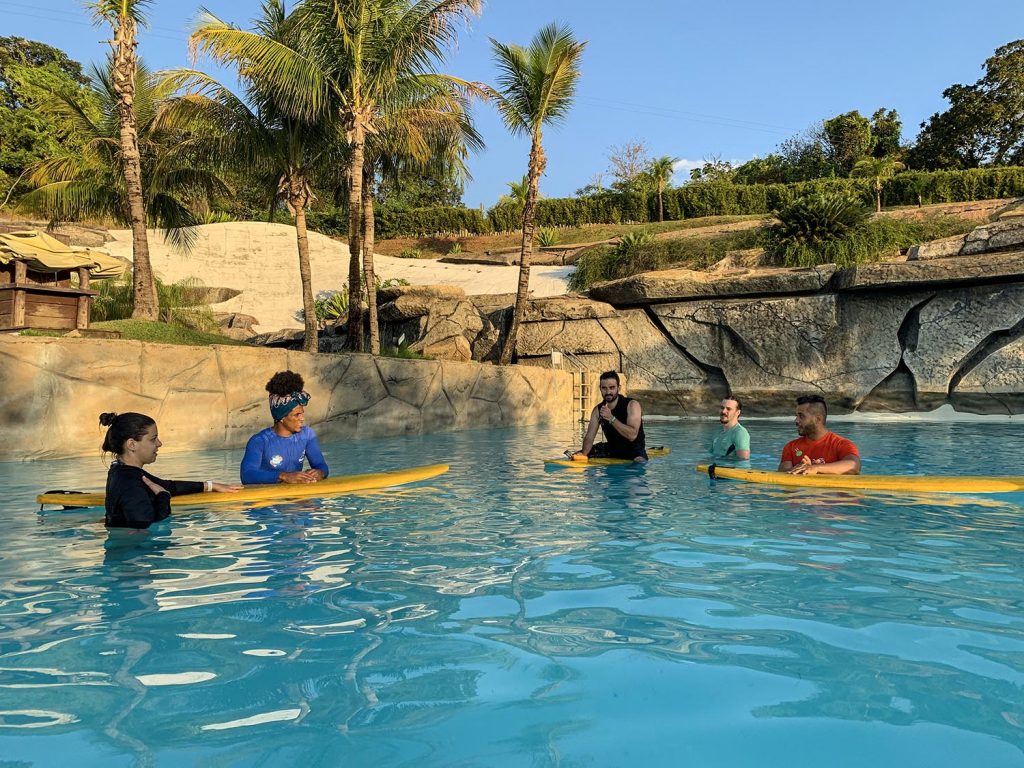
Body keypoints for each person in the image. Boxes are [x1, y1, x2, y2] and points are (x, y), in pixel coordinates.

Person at [100, 412, 240, 529]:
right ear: (132, 444)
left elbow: (168, 485)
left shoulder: (121, 471)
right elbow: (147, 528)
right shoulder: (130, 484)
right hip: (136, 552)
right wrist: (163, 497)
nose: (159, 443)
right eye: (153, 439)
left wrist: (210, 485)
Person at [240, 370, 330, 484]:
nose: (302, 418)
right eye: (297, 415)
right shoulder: (260, 441)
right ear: (281, 417)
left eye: (302, 413)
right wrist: (283, 476)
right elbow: (247, 475)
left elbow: (321, 465)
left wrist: (320, 472)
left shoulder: (307, 435)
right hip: (268, 494)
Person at [571, 371, 648, 463]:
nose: (608, 392)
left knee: (640, 461)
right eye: (604, 388)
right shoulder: (598, 410)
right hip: (612, 448)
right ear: (600, 389)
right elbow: (589, 437)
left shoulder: (632, 405)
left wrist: (611, 418)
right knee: (576, 456)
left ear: (619, 388)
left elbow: (632, 435)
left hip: (633, 449)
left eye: (612, 388)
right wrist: (583, 454)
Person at [778, 394, 860, 475]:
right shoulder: (791, 447)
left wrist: (816, 468)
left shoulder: (842, 444)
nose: (796, 420)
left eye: (801, 416)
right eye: (796, 416)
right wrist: (799, 467)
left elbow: (854, 466)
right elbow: (782, 472)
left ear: (818, 419)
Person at [710, 396, 750, 460]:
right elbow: (710, 457)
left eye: (728, 409)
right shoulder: (717, 433)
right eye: (722, 408)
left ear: (738, 412)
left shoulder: (740, 433)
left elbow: (743, 462)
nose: (723, 411)